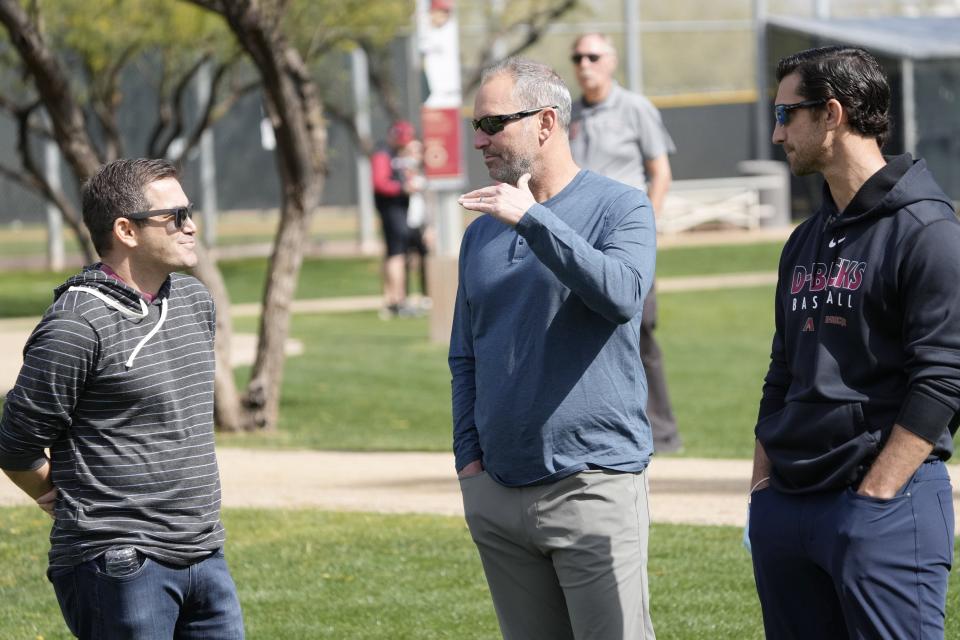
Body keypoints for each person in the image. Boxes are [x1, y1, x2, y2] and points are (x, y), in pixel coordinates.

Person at [749, 46, 960, 639]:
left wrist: (876, 497)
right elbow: (782, 373)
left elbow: (943, 380)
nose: (777, 131)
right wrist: (764, 490)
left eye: (787, 114)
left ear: (832, 114)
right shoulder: (804, 240)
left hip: (879, 508)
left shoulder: (929, 233)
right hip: (787, 504)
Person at [451, 57, 657, 639]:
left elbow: (622, 296)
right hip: (499, 492)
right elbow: (464, 354)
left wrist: (535, 220)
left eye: (492, 124)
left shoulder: (622, 207)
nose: (478, 140)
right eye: (477, 125)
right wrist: (470, 463)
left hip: (593, 484)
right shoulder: (481, 231)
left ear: (545, 123)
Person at [0, 158, 245, 639]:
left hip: (206, 553)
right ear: (126, 230)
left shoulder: (195, 300)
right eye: (174, 217)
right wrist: (59, 499)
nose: (191, 225)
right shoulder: (76, 324)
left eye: (189, 211)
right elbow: (14, 442)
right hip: (119, 565)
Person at [568, 33, 682, 453]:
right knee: (583, 333)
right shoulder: (569, 114)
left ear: (611, 61)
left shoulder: (635, 108)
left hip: (625, 241)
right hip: (579, 243)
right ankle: (595, 430)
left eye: (593, 56)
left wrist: (645, 229)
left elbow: (660, 172)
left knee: (640, 331)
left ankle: (662, 432)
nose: (584, 63)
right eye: (577, 56)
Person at [372, 120, 425, 317]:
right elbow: (380, 183)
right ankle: (396, 299)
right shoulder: (383, 154)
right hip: (391, 210)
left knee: (400, 254)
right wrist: (402, 188)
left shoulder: (398, 154)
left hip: (402, 210)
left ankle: (397, 298)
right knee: (396, 254)